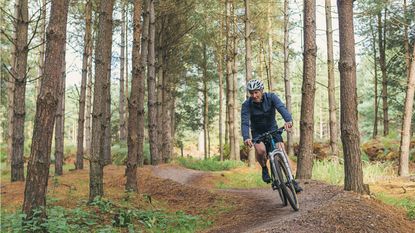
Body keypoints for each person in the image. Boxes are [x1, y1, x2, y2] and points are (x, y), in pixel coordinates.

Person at [241, 79, 303, 193]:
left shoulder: (271, 97)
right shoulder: (246, 105)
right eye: (251, 93)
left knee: (281, 150)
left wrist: (288, 120)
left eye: (256, 92)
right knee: (260, 151)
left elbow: (281, 108)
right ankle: (264, 168)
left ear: (261, 90)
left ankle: (291, 180)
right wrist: (246, 137)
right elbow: (245, 122)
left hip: (273, 129)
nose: (254, 95)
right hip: (257, 132)